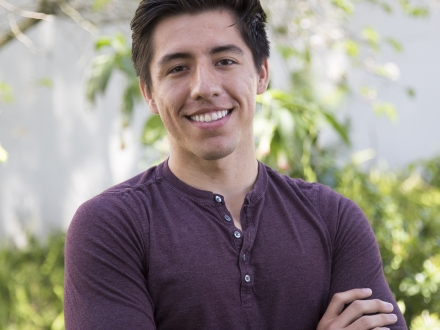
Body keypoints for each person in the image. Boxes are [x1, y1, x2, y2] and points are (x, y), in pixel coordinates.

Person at [64, 0, 407, 329]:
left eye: (225, 61)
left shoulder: (333, 219)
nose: (204, 87)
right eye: (178, 68)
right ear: (149, 93)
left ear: (261, 74)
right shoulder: (112, 226)